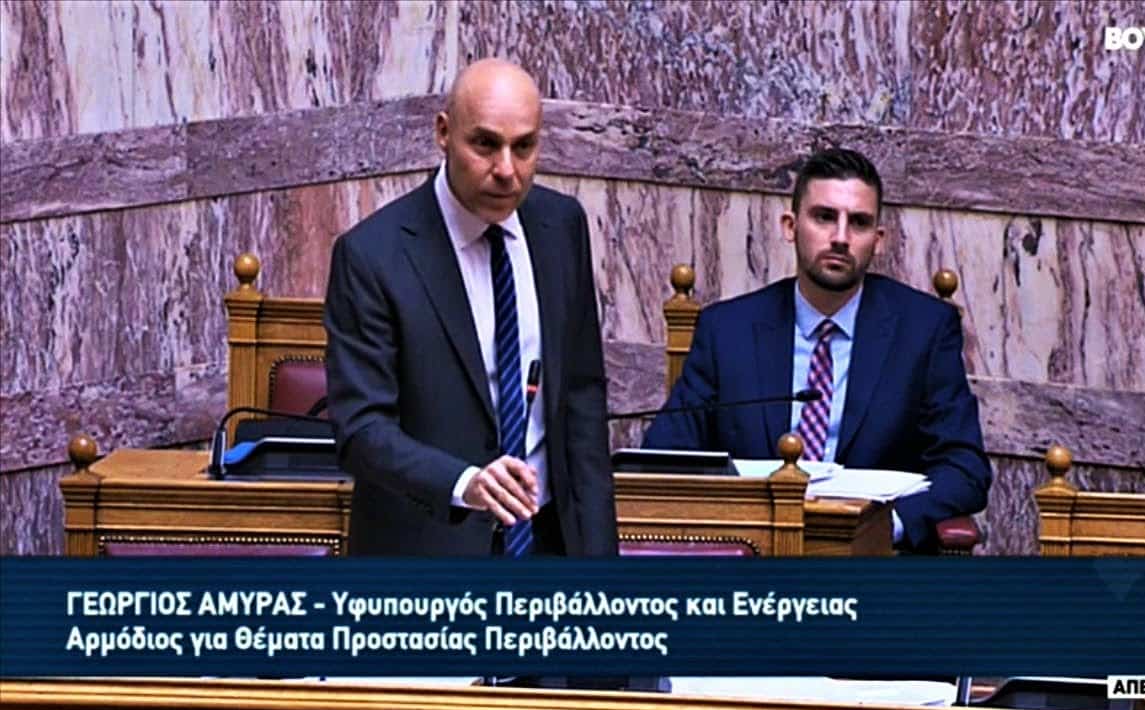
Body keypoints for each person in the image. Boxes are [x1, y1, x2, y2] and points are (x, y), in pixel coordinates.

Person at [324, 59, 616, 557]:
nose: (506, 170)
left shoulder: (561, 226)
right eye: (484, 144)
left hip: (549, 543)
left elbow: (582, 399)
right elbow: (361, 431)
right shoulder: (372, 256)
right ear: (443, 132)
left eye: (524, 147)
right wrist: (464, 483)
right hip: (429, 552)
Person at [643, 147, 991, 552]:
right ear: (791, 226)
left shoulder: (924, 331)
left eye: (858, 223)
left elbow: (965, 468)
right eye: (824, 217)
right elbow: (663, 459)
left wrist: (884, 526)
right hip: (749, 558)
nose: (840, 238)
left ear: (878, 240)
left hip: (874, 564)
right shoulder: (727, 330)